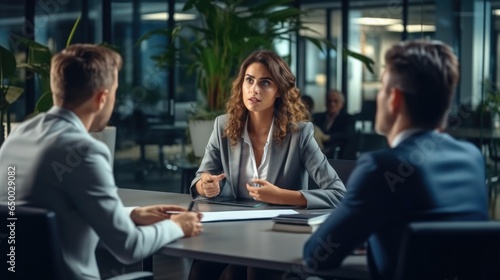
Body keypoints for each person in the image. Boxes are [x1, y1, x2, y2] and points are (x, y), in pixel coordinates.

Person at [0, 44, 203, 280]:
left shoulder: (17, 136)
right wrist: (178, 225)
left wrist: (131, 214)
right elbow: (129, 247)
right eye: (114, 92)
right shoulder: (84, 151)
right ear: (102, 98)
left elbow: (50, 210)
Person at [303, 40, 489, 280]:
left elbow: (316, 254)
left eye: (381, 88)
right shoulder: (471, 158)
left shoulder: (381, 167)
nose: (378, 96)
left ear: (395, 99)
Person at [188, 50, 346, 279]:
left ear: (279, 91)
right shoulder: (222, 126)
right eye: (249, 81)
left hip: (277, 234)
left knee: (250, 272)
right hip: (233, 232)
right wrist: (205, 185)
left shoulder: (299, 134)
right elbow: (200, 178)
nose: (254, 90)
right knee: (201, 267)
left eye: (265, 83)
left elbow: (339, 193)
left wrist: (283, 196)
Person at [312, 89, 354, 158]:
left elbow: (347, 134)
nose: (332, 104)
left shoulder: (348, 118)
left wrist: (328, 137)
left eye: (335, 101)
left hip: (338, 156)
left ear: (341, 104)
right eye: (329, 100)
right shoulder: (317, 117)